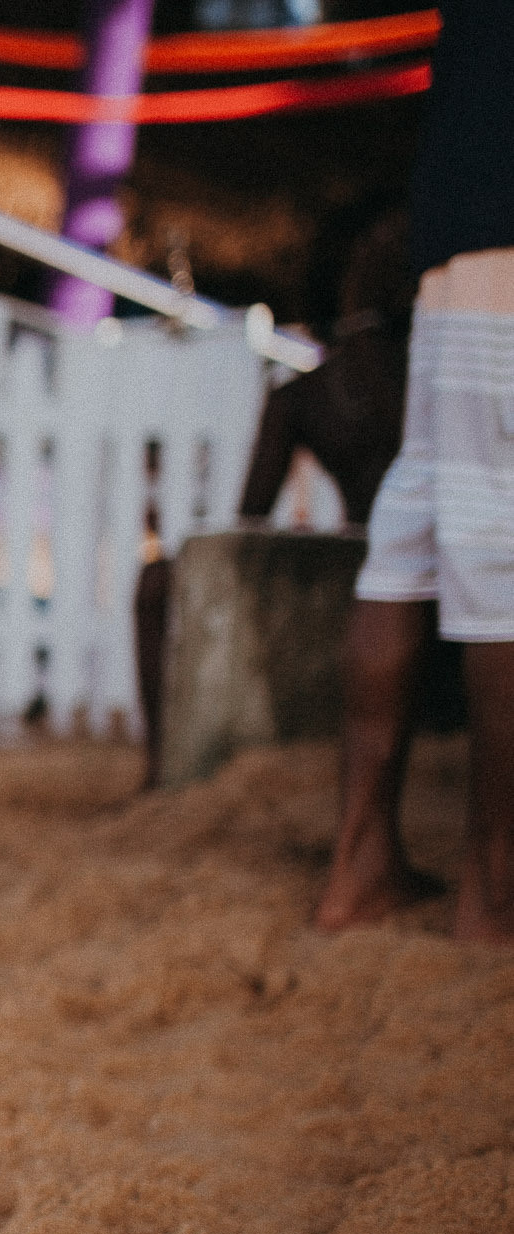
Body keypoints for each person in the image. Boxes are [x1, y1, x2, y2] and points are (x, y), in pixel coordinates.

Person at [315, 0, 513, 941]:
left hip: (453, 228)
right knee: (500, 557)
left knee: (415, 535)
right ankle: (495, 885)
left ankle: (359, 866)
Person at [133, 210, 416, 788]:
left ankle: (163, 772)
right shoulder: (307, 398)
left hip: (416, 570)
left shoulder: (422, 375)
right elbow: (249, 526)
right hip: (359, 567)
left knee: (158, 583)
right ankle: (164, 773)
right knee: (157, 581)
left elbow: (251, 518)